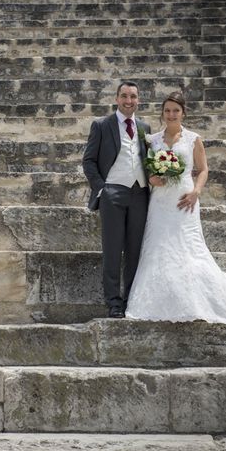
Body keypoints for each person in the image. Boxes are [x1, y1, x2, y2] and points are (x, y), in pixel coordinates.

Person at [125, 91, 226, 323]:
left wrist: (196, 192)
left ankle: (198, 300)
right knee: (158, 248)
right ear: (162, 113)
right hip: (160, 202)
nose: (171, 114)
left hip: (185, 201)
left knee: (190, 249)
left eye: (176, 111)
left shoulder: (193, 139)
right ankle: (159, 303)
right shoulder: (153, 140)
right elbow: (148, 170)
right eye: (167, 110)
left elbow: (203, 169)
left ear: (183, 113)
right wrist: (152, 179)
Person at [82, 81, 152, 318]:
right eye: (124, 96)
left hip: (139, 193)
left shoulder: (144, 126)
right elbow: (89, 160)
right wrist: (102, 189)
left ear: (138, 99)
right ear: (117, 98)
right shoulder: (102, 125)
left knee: (135, 251)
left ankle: (130, 299)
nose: (128, 100)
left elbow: (147, 159)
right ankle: (113, 303)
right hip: (113, 192)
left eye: (133, 96)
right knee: (112, 250)